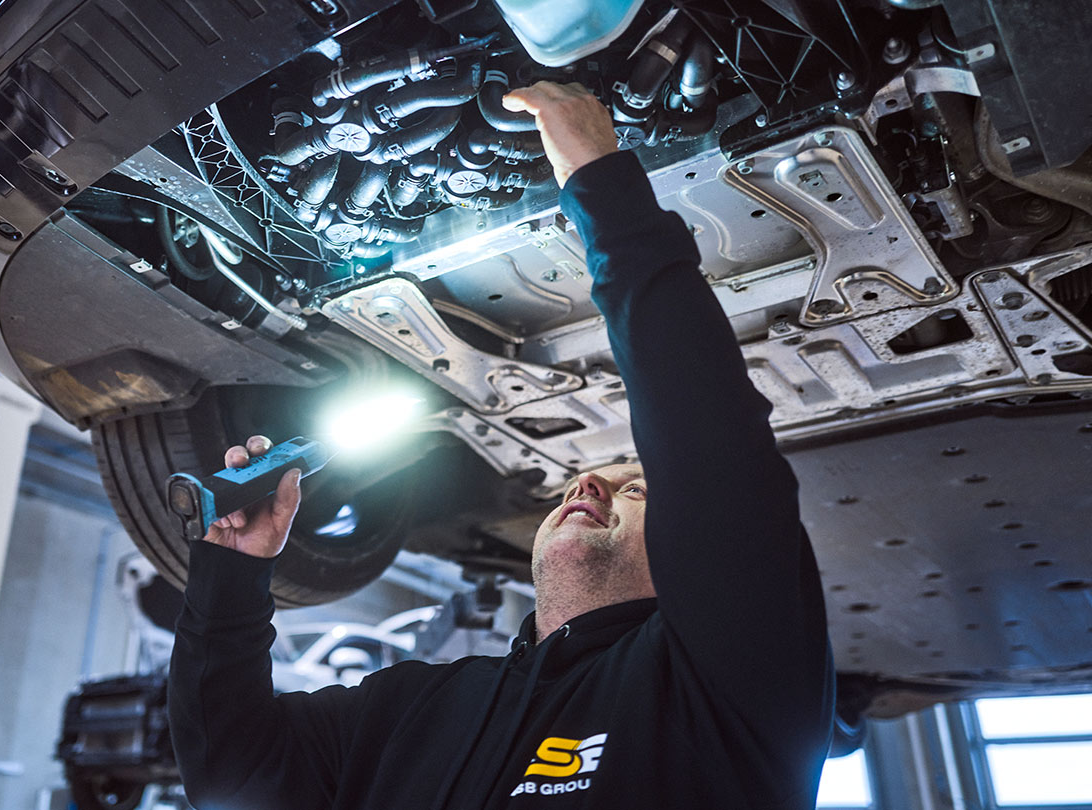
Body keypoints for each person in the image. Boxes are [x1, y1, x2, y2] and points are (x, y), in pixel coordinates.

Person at [168, 82, 833, 810]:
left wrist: (229, 579)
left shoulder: (725, 683)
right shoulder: (420, 709)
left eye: (637, 487)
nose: (589, 486)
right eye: (592, 478)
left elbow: (228, 776)